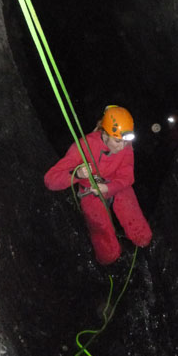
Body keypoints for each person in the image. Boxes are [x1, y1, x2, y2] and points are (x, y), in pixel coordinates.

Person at [44, 105, 152, 265]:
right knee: (105, 241)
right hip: (90, 191)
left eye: (125, 142)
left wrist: (109, 188)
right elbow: (50, 180)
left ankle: (142, 242)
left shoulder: (126, 147)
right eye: (117, 141)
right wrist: (77, 174)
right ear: (105, 134)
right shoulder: (83, 146)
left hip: (115, 186)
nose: (122, 146)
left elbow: (127, 177)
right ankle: (109, 260)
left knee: (137, 223)